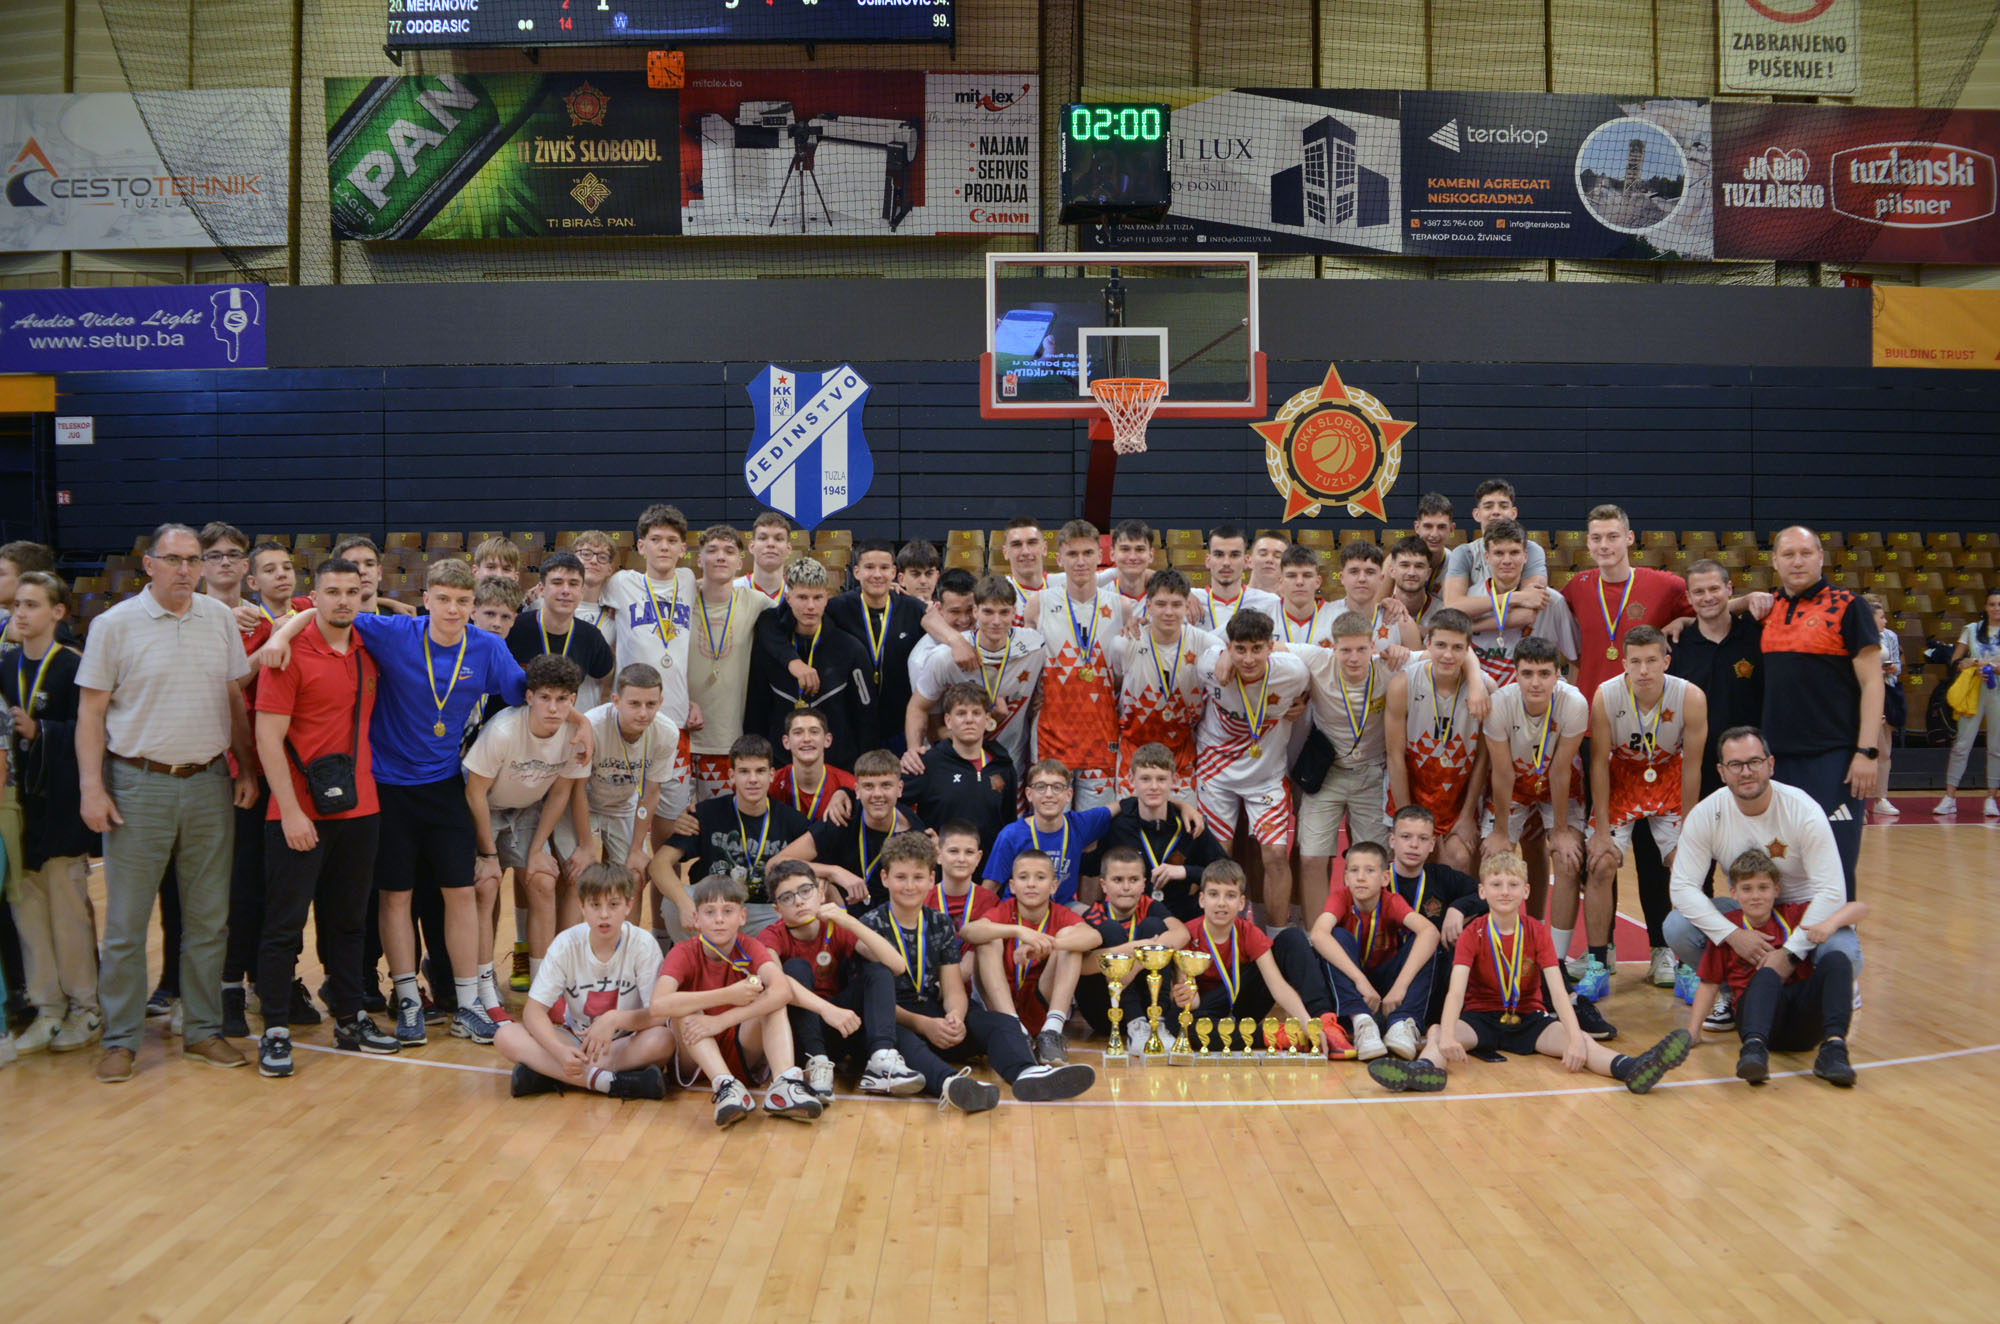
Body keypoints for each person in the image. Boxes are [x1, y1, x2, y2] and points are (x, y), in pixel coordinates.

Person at [257, 556, 541, 1049]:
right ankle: (408, 997)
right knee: (395, 896)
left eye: (463, 601)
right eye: (443, 599)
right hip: (386, 787)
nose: (453, 609)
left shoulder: (489, 648)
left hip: (445, 785)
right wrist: (281, 635)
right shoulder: (394, 633)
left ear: (473, 605)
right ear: (426, 600)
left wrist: (577, 722)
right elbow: (325, 611)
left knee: (462, 892)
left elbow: (534, 696)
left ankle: (468, 1002)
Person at [77, 523, 259, 1083]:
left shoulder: (218, 619)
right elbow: (90, 713)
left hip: (208, 782)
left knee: (208, 920)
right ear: (149, 565)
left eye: (193, 560)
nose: (185, 569)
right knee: (127, 924)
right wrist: (91, 788)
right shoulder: (113, 625)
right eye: (174, 559)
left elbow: (233, 697)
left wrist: (246, 764)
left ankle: (202, 1029)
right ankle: (120, 1038)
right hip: (137, 785)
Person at [1366, 851, 1689, 1095]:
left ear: (1526, 891)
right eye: (1496, 885)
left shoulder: (1536, 931)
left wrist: (1574, 1037)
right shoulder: (1472, 933)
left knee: (1580, 1041)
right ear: (1482, 892)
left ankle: (1631, 1067)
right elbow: (1456, 992)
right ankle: (1424, 1071)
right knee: (1438, 1032)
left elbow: (1558, 992)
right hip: (1480, 1019)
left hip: (1529, 1019)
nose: (1505, 892)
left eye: (1513, 885)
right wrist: (1450, 1034)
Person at [249, 556, 400, 1076]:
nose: (343, 600)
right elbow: (267, 738)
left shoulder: (369, 649)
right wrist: (291, 812)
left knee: (349, 923)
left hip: (361, 808)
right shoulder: (288, 653)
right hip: (296, 813)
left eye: (352, 592)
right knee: (284, 925)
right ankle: (274, 1029)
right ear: (313, 598)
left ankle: (350, 1016)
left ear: (363, 595)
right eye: (332, 591)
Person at [861, 831, 1096, 1111]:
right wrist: (924, 1024)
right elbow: (872, 1001)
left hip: (937, 1017)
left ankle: (1026, 1072)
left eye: (918, 878)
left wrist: (955, 1017)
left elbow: (953, 988)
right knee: (903, 1040)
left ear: (931, 880)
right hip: (896, 1020)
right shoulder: (870, 924)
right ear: (885, 878)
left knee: (1001, 1023)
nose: (910, 886)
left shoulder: (940, 923)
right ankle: (951, 1084)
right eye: (901, 877)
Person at [1666, 727, 1863, 1034]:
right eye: (1735, 765)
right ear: (1721, 772)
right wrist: (1732, 935)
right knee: (1677, 927)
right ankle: (1735, 996)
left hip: (1804, 914)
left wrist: (1790, 954)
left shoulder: (1803, 809)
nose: (1746, 772)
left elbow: (1833, 892)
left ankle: (1819, 992)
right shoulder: (1706, 814)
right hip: (1752, 912)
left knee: (1844, 955)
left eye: (1754, 762)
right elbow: (1681, 888)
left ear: (1770, 764)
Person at [2, 572, 99, 1055]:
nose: (20, 613)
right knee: (28, 913)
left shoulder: (74, 667)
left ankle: (86, 1007)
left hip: (62, 809)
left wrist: (42, 732)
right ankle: (48, 1008)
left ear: (58, 612)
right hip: (19, 809)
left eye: (32, 605)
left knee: (68, 914)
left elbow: (92, 734)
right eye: (17, 604)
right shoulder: (5, 665)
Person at [465, 655, 592, 1019]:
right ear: (530, 697)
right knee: (486, 886)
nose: (553, 708)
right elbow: (474, 793)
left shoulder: (576, 736)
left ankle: (543, 987)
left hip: (527, 809)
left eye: (562, 699)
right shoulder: (504, 731)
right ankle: (483, 986)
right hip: (483, 809)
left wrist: (537, 849)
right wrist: (487, 855)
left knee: (543, 881)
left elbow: (560, 793)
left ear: (573, 701)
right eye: (545, 698)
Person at [1762, 527, 1882, 899]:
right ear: (1775, 561)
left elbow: (1873, 683)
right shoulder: (1767, 608)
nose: (1797, 562)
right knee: (1780, 866)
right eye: (1788, 554)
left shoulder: (1849, 606)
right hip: (1778, 761)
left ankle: (1840, 938)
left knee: (1835, 866)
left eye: (1805, 553)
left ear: (1821, 557)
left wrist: (1867, 752)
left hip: (1834, 760)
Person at [1588, 624, 1706, 992]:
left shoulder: (1690, 697)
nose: (1643, 670)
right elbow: (1598, 764)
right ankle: (1597, 961)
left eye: (1652, 661)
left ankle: (1684, 963)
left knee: (1686, 864)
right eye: (1635, 661)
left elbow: (1693, 766)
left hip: (1669, 777)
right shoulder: (1606, 695)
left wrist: (1689, 827)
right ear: (1623, 663)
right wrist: (1602, 831)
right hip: (1622, 778)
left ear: (1666, 661)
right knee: (1600, 863)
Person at [651, 872, 823, 1126]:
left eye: (728, 911)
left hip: (741, 1046)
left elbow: (783, 991)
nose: (719, 919)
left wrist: (721, 1021)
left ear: (742, 916)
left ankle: (785, 1083)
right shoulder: (683, 951)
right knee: (684, 1009)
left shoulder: (750, 946)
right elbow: (658, 1005)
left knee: (773, 1002)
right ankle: (726, 1085)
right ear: (696, 918)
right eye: (710, 912)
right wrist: (727, 995)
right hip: (695, 1055)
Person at [1686, 848, 1864, 1088]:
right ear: (1733, 893)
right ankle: (1753, 1052)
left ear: (1776, 890)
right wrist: (1692, 1031)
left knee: (1838, 960)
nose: (1756, 896)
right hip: (1757, 1022)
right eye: (1747, 889)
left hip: (1802, 1025)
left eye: (1763, 888)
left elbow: (1859, 908)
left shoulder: (1793, 915)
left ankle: (1834, 1049)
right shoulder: (1728, 929)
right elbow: (1709, 983)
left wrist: (1830, 924)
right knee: (1767, 974)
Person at [497, 862, 674, 1099]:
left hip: (625, 1042)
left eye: (613, 905)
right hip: (575, 1041)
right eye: (595, 905)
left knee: (663, 1040)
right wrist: (559, 1052)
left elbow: (659, 1014)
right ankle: (609, 1082)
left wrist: (615, 1019)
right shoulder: (566, 943)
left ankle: (551, 1075)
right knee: (505, 1035)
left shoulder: (643, 944)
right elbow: (533, 1012)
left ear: (629, 905)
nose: (604, 914)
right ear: (582, 906)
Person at [756, 857, 924, 1100]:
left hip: (840, 1028)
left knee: (878, 969)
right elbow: (775, 983)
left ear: (820, 893)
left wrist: (850, 921)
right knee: (794, 968)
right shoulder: (771, 935)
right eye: (787, 897)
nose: (799, 901)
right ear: (777, 909)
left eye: (805, 891)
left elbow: (897, 966)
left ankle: (882, 1058)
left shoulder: (836, 927)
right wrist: (827, 1010)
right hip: (799, 1036)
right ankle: (816, 1064)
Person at [600, 504, 701, 858]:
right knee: (621, 827)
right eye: (655, 539)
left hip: (674, 721)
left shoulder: (688, 581)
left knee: (667, 834)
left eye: (672, 540)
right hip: (627, 722)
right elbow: (585, 596)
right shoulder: (620, 583)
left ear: (683, 548)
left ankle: (661, 898)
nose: (664, 547)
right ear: (641, 546)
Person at [1200, 609, 1312, 922]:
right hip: (1216, 771)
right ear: (1228, 646)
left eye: (1256, 649)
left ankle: (1277, 934)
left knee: (1275, 854)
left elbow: (1314, 684)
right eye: (1240, 649)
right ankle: (1219, 933)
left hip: (1267, 775)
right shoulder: (1209, 664)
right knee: (1218, 856)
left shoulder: (1294, 672)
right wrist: (1223, 654)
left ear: (1270, 647)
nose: (1248, 659)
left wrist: (1303, 702)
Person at [1481, 637, 1588, 947]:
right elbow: (1503, 773)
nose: (1535, 682)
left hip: (1560, 785)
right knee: (1494, 856)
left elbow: (1560, 770)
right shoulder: (1500, 704)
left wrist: (1562, 831)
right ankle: (1496, 944)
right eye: (1527, 673)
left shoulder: (1574, 703)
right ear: (1516, 674)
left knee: (1567, 858)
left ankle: (1556, 956)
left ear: (1558, 675)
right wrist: (1501, 832)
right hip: (1514, 784)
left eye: (1544, 674)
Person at [649, 734, 810, 939]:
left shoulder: (792, 821)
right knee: (672, 903)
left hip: (765, 913)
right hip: (714, 906)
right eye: (744, 771)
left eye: (760, 771)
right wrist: (684, 904)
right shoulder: (706, 813)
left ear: (771, 775)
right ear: (732, 776)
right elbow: (659, 864)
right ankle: (697, 955)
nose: (752, 779)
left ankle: (764, 955)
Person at [1294, 612, 1394, 920]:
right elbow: (1269, 647)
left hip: (1372, 775)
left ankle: (1370, 934)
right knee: (1310, 858)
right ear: (1332, 648)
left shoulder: (1388, 665)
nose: (1353, 658)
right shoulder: (1317, 659)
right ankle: (1316, 937)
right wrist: (1225, 658)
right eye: (1346, 650)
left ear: (1373, 646)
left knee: (1374, 864)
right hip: (1328, 776)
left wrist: (1474, 679)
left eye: (1361, 649)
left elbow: (1449, 653)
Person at [1167, 861, 1327, 1053]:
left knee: (1292, 938)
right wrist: (1184, 997)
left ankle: (1324, 1022)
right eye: (1213, 894)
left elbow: (1278, 986)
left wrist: (1308, 1023)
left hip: (1242, 1005)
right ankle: (1274, 1035)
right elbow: (1193, 1003)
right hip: (1206, 1010)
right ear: (1202, 899)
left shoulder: (1249, 933)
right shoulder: (1187, 934)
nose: (1221, 903)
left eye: (1230, 895)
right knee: (1181, 1025)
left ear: (1241, 903)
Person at [905, 573, 1047, 778]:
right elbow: (919, 708)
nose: (996, 621)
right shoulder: (943, 656)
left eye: (1004, 612)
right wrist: (913, 750)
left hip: (1013, 768)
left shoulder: (1036, 646)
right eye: (988, 612)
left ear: (1014, 612)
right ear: (976, 611)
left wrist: (1045, 697)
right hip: (958, 769)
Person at [1307, 841, 1437, 1062]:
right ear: (1345, 878)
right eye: (1354, 870)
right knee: (1335, 936)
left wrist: (1399, 987)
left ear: (1385, 878)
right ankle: (1362, 1023)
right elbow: (1318, 934)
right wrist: (1360, 980)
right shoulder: (1340, 898)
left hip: (1387, 992)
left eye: (1369, 871)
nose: (1360, 877)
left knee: (1424, 942)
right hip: (1352, 990)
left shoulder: (1391, 901)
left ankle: (1402, 1025)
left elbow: (1430, 932)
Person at [1027, 520, 1125, 811]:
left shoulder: (1122, 607)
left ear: (1100, 556)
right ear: (1059, 559)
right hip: (1051, 734)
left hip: (1101, 734)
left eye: (1087, 553)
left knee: (1095, 830)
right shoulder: (1039, 603)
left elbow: (1124, 674)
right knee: (1050, 824)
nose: (1080, 561)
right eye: (1072, 554)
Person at [965, 849, 1096, 1065]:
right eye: (1023, 877)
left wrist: (1049, 944)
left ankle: (1052, 1031)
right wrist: (1018, 931)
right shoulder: (1004, 910)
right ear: (1012, 886)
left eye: (1040, 878)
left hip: (1041, 1007)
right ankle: (1014, 1028)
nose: (1031, 884)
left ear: (1053, 886)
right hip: (1001, 1009)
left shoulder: (1060, 913)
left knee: (1070, 939)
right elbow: (968, 931)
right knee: (987, 937)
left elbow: (1093, 937)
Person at [1384, 609, 1488, 874]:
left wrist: (1467, 816)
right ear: (1427, 644)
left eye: (1457, 647)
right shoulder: (1403, 684)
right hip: (1412, 792)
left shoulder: (1486, 689)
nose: (1448, 655)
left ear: (1468, 650)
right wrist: (1406, 819)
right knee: (1409, 861)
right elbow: (1395, 756)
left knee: (1459, 860)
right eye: (1441, 645)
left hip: (1457, 798)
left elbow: (1482, 759)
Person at [749, 556, 872, 772]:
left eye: (817, 597)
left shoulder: (850, 649)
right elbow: (756, 713)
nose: (810, 606)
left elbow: (866, 718)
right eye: (802, 597)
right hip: (780, 767)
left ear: (827, 598)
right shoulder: (769, 649)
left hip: (838, 768)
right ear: (788, 597)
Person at [1559, 505, 1694, 702]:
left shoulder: (1665, 585)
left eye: (1612, 537)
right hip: (1590, 705)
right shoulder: (1578, 585)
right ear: (1588, 542)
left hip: (1643, 707)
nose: (1603, 545)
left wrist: (1683, 621)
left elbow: (1713, 610)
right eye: (1596, 538)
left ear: (1629, 538)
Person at [1104, 568, 1216, 795]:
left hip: (1181, 751)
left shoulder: (1206, 644)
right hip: (1134, 749)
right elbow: (1115, 685)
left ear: (1187, 606)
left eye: (1176, 604)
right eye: (1161, 604)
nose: (1168, 612)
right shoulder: (1124, 643)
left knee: (1184, 816)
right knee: (1131, 814)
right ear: (1148, 605)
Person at [570, 663, 680, 893]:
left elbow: (651, 792)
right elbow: (577, 789)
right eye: (634, 704)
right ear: (616, 701)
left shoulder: (667, 732)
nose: (643, 713)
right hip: (583, 806)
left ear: (660, 703)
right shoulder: (593, 725)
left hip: (622, 806)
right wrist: (586, 846)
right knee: (579, 874)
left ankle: (627, 922)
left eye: (651, 704)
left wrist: (637, 849)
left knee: (634, 875)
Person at [686, 526, 777, 802]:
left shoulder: (756, 602)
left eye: (728, 551)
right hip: (679, 735)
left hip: (726, 740)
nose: (720, 557)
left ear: (740, 562)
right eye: (712, 551)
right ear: (699, 559)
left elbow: (799, 614)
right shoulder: (680, 600)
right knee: (674, 821)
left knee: (717, 820)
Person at [775, 748, 925, 910]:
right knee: (817, 885)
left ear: (900, 789)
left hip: (890, 916)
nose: (877, 794)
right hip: (840, 910)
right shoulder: (843, 815)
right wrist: (834, 872)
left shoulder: (914, 834)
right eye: (868, 786)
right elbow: (776, 864)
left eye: (886, 785)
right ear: (857, 790)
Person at [1096, 741, 1225, 923]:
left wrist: (1185, 871)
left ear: (1175, 780)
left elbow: (1228, 873)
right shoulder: (1118, 825)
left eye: (1161, 779)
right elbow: (1093, 864)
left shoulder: (1190, 825)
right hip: (1129, 920)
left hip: (1181, 919)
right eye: (1145, 779)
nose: (1154, 786)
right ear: (1131, 780)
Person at [1668, 559, 1764, 801]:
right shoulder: (1676, 646)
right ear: (1689, 598)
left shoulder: (1757, 636)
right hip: (1697, 768)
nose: (1708, 597)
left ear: (1729, 589)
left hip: (1750, 764)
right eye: (1699, 592)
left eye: (1714, 589)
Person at [1074, 844, 1188, 1045]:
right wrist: (1136, 948)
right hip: (1105, 1011)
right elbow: (1082, 966)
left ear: (1144, 884)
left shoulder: (1150, 907)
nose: (1126, 887)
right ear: (1103, 885)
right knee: (1110, 930)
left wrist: (1135, 964)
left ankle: (1157, 1021)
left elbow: (1182, 934)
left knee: (1154, 926)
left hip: (1146, 1005)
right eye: (1118, 880)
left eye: (1133, 880)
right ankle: (1135, 1023)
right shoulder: (1094, 915)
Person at [1382, 805, 1484, 1027]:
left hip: (1432, 977)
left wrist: (1458, 908)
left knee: (1438, 945)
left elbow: (1486, 895)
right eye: (1406, 837)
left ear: (1432, 844)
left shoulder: (1441, 877)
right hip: (1386, 972)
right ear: (1392, 840)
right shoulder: (1378, 879)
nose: (1414, 845)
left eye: (1423, 838)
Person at [827, 538, 927, 753]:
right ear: (856, 572)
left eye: (884, 568)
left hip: (900, 725)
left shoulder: (913, 609)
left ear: (894, 572)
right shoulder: (836, 609)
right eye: (869, 567)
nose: (877, 574)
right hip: (850, 724)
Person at [898, 683, 1017, 853]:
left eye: (976, 713)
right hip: (941, 866)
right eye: (961, 713)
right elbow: (893, 801)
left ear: (987, 720)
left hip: (990, 867)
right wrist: (921, 835)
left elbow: (1009, 824)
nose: (969, 720)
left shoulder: (1003, 766)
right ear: (948, 721)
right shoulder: (928, 763)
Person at [1463, 518, 1577, 688]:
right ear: (1487, 557)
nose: (1507, 560)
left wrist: (1570, 696)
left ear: (1525, 556)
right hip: (1483, 698)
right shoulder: (1470, 599)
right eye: (1499, 553)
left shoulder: (1552, 602)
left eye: (1514, 553)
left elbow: (1575, 660)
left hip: (1535, 700)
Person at [507, 551, 616, 711]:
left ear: (582, 591)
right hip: (514, 721)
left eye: (573, 584)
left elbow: (607, 673)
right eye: (557, 583)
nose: (566, 590)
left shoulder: (591, 637)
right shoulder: (514, 628)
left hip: (563, 721)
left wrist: (602, 703)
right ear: (541, 589)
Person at [1439, 479, 1551, 622]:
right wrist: (1513, 598)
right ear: (1477, 514)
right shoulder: (1464, 553)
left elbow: (1529, 610)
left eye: (1503, 506)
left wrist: (1471, 627)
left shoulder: (1531, 550)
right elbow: (1452, 607)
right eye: (1488, 506)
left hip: (1511, 632)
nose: (1496, 512)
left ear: (1514, 513)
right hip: (1478, 636)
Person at [1936, 588, 2000, 818]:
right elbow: (1955, 660)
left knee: (1996, 748)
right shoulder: (1971, 630)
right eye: (1992, 604)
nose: (1996, 609)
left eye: (1999, 605)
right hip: (1973, 691)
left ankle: (1991, 798)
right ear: (1985, 607)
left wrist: (1993, 668)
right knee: (1962, 744)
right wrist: (1972, 662)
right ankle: (1949, 797)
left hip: (1997, 692)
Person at [1329, 542, 1419, 664]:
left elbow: (1418, 671)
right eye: (1354, 572)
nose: (1362, 579)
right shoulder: (1324, 616)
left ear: (1381, 578)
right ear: (1342, 577)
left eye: (1370, 572)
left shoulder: (1402, 622)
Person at [769, 707, 856, 824]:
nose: (806, 739)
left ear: (827, 740)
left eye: (814, 732)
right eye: (798, 733)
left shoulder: (849, 784)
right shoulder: (770, 784)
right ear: (786, 742)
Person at [1189, 523, 1280, 634]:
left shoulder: (1269, 602)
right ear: (1208, 561)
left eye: (1234, 555)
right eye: (1219, 555)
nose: (1226, 562)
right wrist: (1182, 593)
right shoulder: (1189, 598)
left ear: (1246, 561)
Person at [1863, 594, 1902, 816]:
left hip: (1884, 693)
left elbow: (1897, 666)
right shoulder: (1854, 635)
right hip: (1861, 696)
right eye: (1881, 616)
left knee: (1884, 750)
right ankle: (1858, 802)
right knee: (1860, 749)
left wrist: (1891, 670)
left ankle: (1881, 798)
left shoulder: (1890, 636)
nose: (1885, 621)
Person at [328, 536, 417, 618]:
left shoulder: (398, 621)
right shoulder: (328, 622)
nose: (362, 571)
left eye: (369, 564)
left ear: (379, 573)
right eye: (352, 566)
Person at [1273, 544, 1335, 649]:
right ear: (1281, 581)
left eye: (1307, 575)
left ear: (1318, 582)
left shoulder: (1337, 618)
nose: (1299, 582)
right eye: (1291, 576)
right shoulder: (1264, 616)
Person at [1096, 518, 1157, 615]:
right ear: (1112, 554)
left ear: (1151, 555)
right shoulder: (1097, 591)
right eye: (1125, 549)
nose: (1132, 557)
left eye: (1140, 550)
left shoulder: (1166, 595)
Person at [998, 515, 1049, 622]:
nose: (1025, 551)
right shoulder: (996, 595)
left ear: (1044, 548)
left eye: (1032, 543)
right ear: (1005, 552)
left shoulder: (1064, 587)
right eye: (1016, 544)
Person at [1387, 534, 1443, 629]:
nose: (1411, 573)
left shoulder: (1444, 613)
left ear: (1428, 574)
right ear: (1392, 571)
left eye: (1419, 566)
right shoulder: (1381, 610)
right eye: (1405, 565)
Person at [738, 511, 792, 605]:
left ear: (788, 549)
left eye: (778, 539)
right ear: (752, 547)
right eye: (763, 538)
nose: (770, 544)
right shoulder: (733, 590)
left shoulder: (798, 594)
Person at [1411, 493, 1455, 589]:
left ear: (1451, 529)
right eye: (1428, 526)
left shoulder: (1456, 566)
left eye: (1441, 527)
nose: (1434, 534)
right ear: (1417, 527)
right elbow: (1380, 598)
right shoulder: (1398, 560)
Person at [1248, 532, 1289, 597]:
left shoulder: (1295, 601)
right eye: (1263, 554)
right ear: (1249, 561)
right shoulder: (1233, 596)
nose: (1269, 559)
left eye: (1278, 556)